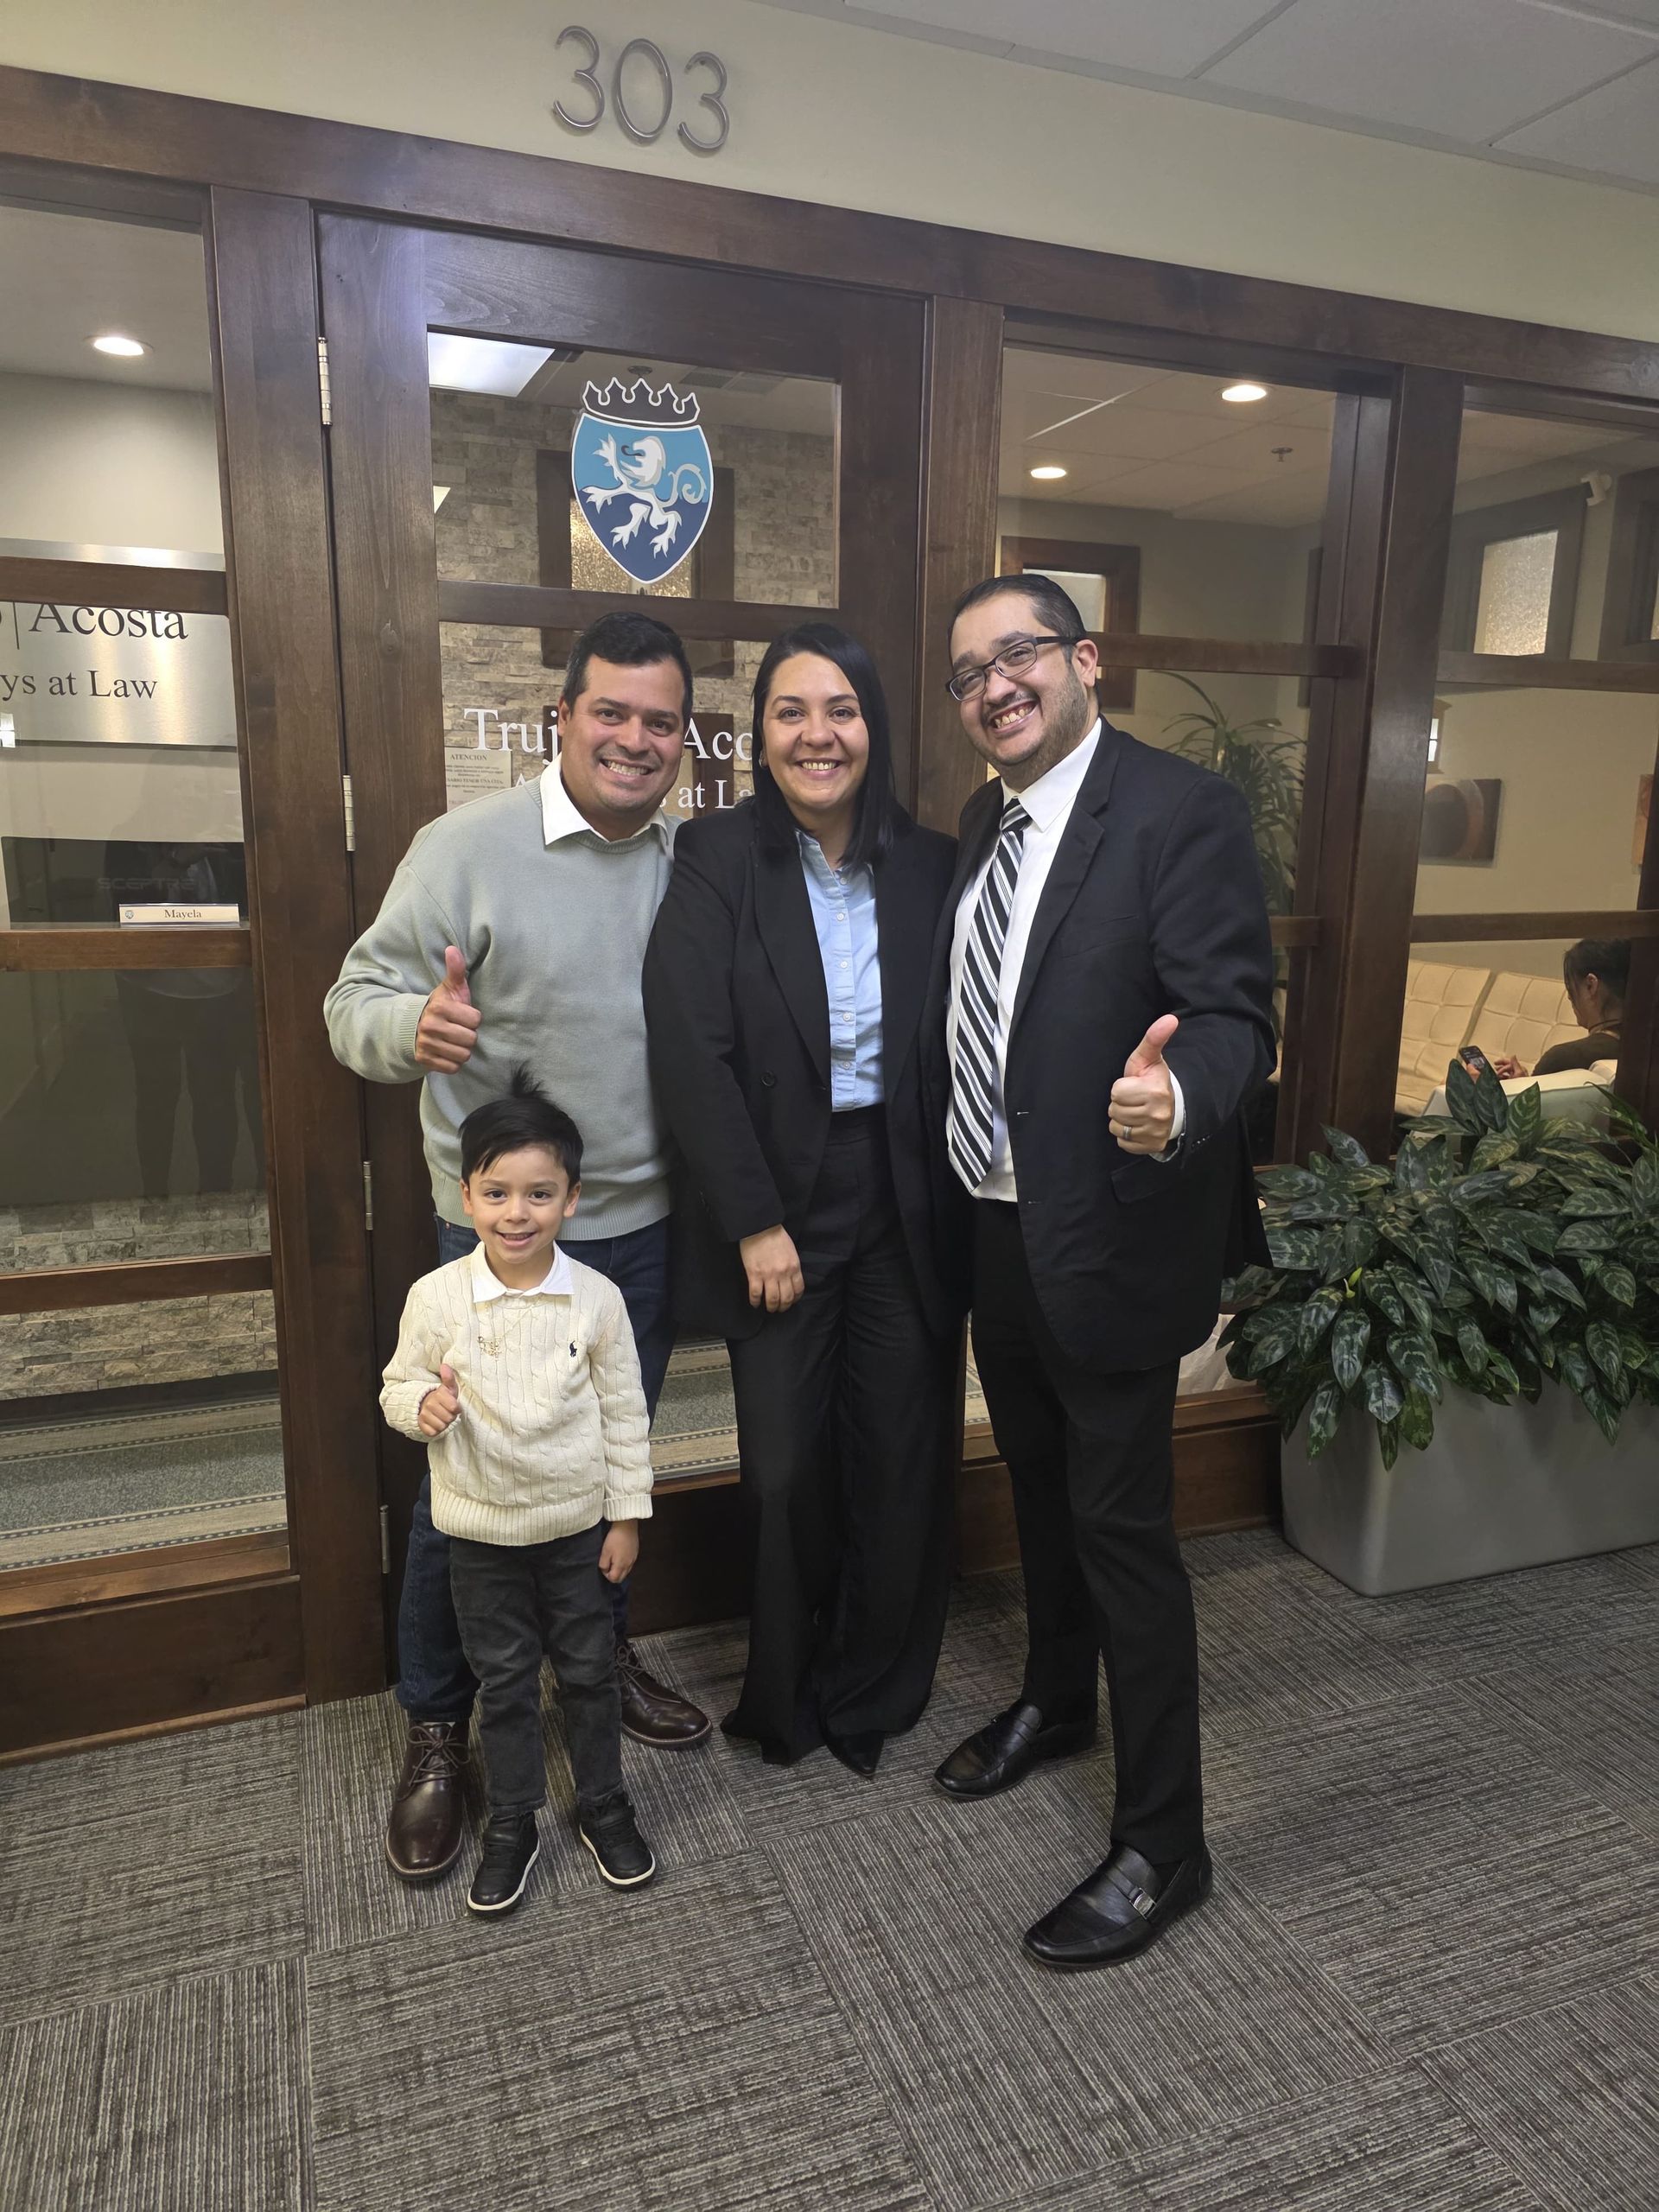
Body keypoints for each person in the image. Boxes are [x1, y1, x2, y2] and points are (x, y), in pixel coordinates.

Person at [325, 609, 709, 1891]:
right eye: (613, 713)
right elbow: (353, 1004)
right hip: (489, 1242)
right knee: (467, 1503)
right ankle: (439, 1722)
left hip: (642, 1237)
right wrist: (412, 1034)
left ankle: (592, 1665)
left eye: (662, 722)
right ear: (563, 717)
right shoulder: (465, 848)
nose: (636, 741)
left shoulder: (689, 863)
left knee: (604, 1476)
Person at [926, 573, 1274, 1969]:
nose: (995, 686)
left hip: (1116, 1231)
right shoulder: (981, 822)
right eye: (967, 674)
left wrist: (1177, 1096)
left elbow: (1236, 1010)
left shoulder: (1179, 812)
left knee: (1125, 1537)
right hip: (996, 1224)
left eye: (1019, 656)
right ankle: (1056, 1702)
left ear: (1084, 661)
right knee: (1038, 1489)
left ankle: (1164, 1843)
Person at [643, 623, 964, 1774]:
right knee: (784, 1466)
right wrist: (755, 1218)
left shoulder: (929, 865)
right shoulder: (717, 857)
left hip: (907, 1192)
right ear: (761, 735)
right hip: (782, 1193)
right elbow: (690, 1048)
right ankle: (786, 1690)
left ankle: (875, 1683)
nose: (817, 734)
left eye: (841, 709)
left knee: (900, 1447)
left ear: (873, 728)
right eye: (791, 711)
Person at [380, 1074, 657, 1915]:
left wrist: (628, 1515)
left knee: (587, 1675)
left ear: (572, 1199)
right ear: (465, 1195)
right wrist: (421, 1407)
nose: (516, 1212)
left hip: (578, 1533)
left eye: (539, 1193)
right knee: (502, 1685)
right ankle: (512, 1820)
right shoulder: (437, 1298)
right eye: (496, 1192)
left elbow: (624, 1413)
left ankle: (604, 1802)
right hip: (480, 1540)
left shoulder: (598, 1299)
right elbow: (397, 1382)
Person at [1489, 938, 1628, 1078]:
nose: (1569, 997)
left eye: (1570, 986)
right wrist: (1523, 1083)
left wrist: (1481, 1089)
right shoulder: (1643, 1051)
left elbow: (1538, 1100)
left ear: (1590, 986)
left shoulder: (1564, 1060)